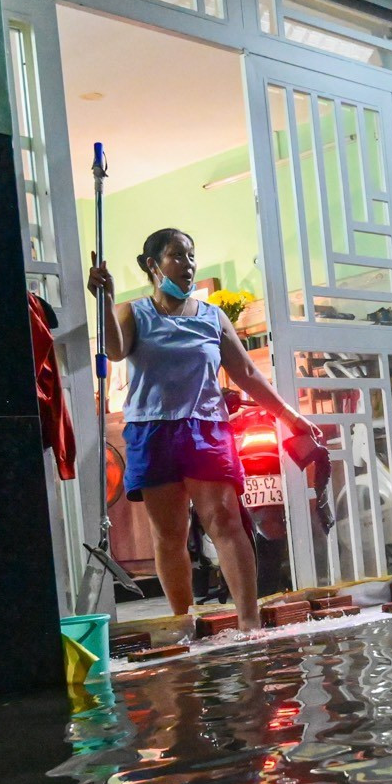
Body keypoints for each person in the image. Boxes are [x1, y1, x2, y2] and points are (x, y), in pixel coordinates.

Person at [89, 228, 322, 631]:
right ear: (153, 266)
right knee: (170, 534)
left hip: (206, 427)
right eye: (177, 256)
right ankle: (185, 625)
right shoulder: (134, 313)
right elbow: (114, 349)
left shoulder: (211, 316)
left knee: (225, 520)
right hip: (152, 430)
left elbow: (247, 373)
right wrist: (105, 301)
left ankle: (249, 625)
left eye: (191, 256)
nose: (188, 264)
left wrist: (292, 418)